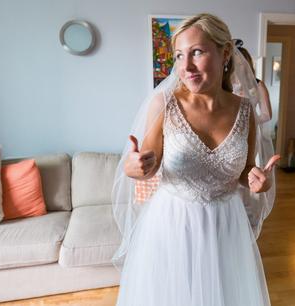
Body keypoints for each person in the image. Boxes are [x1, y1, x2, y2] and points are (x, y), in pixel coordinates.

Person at [112, 13, 279, 306]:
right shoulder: (164, 104)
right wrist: (133, 166)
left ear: (225, 52)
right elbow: (146, 168)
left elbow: (244, 173)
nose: (185, 66)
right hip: (174, 225)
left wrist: (258, 180)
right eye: (179, 56)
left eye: (197, 52)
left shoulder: (244, 110)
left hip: (226, 226)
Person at [236, 42, 273, 123]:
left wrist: (248, 123)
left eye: (240, 64)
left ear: (247, 64)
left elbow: (267, 115)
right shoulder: (224, 83)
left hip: (250, 130)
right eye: (234, 64)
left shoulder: (259, 85)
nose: (236, 68)